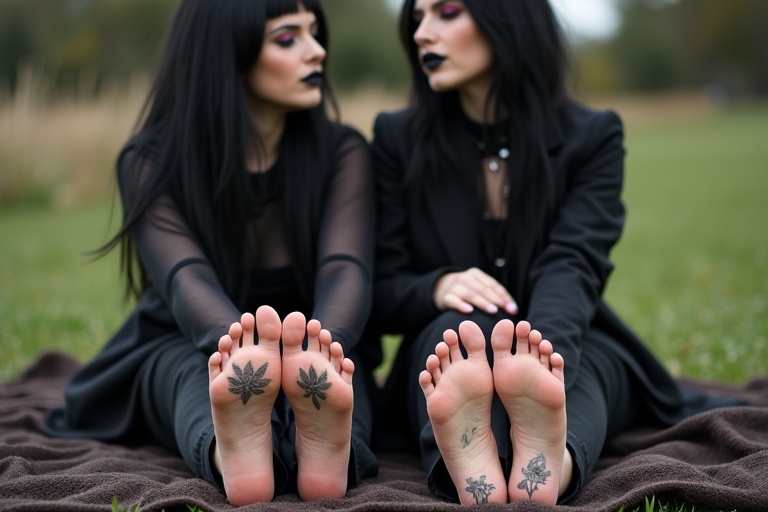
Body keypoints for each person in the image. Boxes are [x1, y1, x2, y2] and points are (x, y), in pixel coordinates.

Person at [366, 0, 741, 506]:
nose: (422, 34)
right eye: (417, 18)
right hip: (447, 337)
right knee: (456, 342)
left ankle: (548, 462)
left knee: (580, 370)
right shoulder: (396, 140)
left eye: (446, 12)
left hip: (571, 331)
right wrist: (435, 286)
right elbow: (383, 285)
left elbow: (574, 261)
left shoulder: (591, 136)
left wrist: (543, 360)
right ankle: (478, 467)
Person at [43, 0, 378, 505]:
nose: (318, 52)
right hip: (183, 341)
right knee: (192, 376)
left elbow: (346, 272)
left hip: (319, 338)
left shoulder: (343, 152)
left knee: (341, 385)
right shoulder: (150, 162)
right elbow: (185, 281)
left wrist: (319, 353)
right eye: (288, 39)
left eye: (315, 33)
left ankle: (328, 450)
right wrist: (245, 357)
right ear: (228, 54)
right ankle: (234, 455)